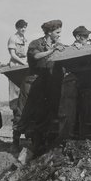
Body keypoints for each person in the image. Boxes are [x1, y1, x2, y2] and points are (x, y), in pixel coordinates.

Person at [15, 20, 65, 153]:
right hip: (32, 81)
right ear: (49, 32)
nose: (59, 35)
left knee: (43, 114)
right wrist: (52, 50)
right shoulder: (36, 43)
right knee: (23, 112)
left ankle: (39, 144)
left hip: (46, 83)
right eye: (57, 32)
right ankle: (15, 141)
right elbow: (36, 55)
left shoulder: (58, 45)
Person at [7, 19, 28, 109]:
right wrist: (23, 62)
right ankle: (15, 114)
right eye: (21, 27)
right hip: (15, 65)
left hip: (24, 65)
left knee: (24, 90)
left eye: (24, 27)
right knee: (14, 92)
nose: (23, 29)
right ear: (17, 28)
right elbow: (13, 54)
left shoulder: (24, 38)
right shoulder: (13, 38)